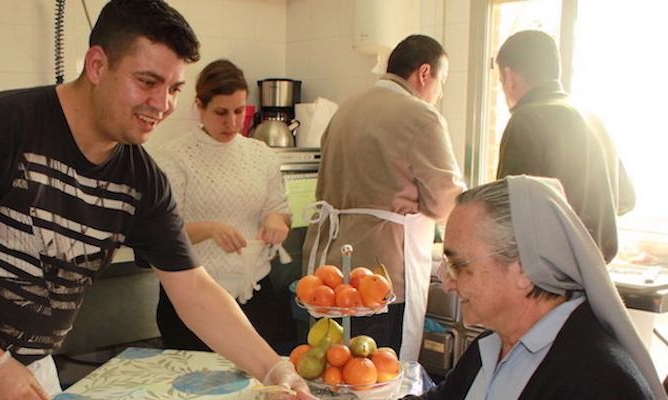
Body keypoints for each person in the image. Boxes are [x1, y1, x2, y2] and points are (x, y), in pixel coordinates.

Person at [0, 1, 314, 399]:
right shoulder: (0, 127)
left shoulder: (140, 179)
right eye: (147, 82)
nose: (161, 104)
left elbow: (194, 289)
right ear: (96, 65)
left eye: (174, 88)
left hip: (29, 360)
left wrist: (274, 368)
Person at [404, 175, 664, 400]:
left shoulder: (600, 381)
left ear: (524, 269)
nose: (448, 282)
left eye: (458, 265)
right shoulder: (494, 342)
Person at [302, 34, 466, 361]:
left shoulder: (346, 109)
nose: (441, 93)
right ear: (423, 73)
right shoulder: (421, 116)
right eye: (441, 81)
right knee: (379, 373)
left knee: (337, 367)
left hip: (331, 267)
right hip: (384, 270)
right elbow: (445, 202)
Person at [151, 59, 291, 351]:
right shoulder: (175, 157)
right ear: (199, 106)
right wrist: (210, 229)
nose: (232, 122)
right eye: (221, 112)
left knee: (256, 386)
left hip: (254, 294)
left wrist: (277, 221)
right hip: (193, 297)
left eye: (239, 111)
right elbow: (160, 232)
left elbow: (278, 209)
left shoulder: (260, 155)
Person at [495, 30, 636, 263]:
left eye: (501, 81)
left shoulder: (526, 119)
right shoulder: (593, 118)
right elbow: (625, 200)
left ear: (509, 77)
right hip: (596, 273)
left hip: (549, 277)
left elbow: (507, 212)